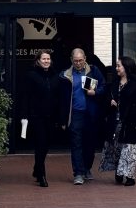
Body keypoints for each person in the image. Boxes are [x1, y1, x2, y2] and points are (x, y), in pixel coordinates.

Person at [59, 48, 105, 185]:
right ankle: (78, 173)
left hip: (90, 113)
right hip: (75, 114)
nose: (78, 63)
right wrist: (62, 118)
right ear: (71, 60)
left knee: (90, 144)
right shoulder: (65, 75)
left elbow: (103, 87)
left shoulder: (93, 71)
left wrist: (95, 92)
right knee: (76, 144)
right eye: (75, 61)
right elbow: (62, 99)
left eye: (80, 60)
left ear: (85, 59)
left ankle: (87, 168)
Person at [21, 50, 61, 187]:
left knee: (46, 145)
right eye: (43, 59)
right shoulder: (31, 76)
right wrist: (25, 115)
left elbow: (58, 97)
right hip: (36, 116)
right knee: (40, 144)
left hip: (51, 116)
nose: (46, 61)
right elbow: (25, 96)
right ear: (38, 60)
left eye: (48, 59)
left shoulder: (56, 76)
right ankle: (42, 175)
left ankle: (36, 168)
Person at [109, 55, 136, 186]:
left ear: (127, 67)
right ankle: (119, 172)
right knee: (117, 148)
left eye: (119, 65)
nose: (117, 68)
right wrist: (111, 102)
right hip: (116, 120)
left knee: (129, 149)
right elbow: (109, 97)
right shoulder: (115, 82)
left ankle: (130, 176)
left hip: (131, 121)